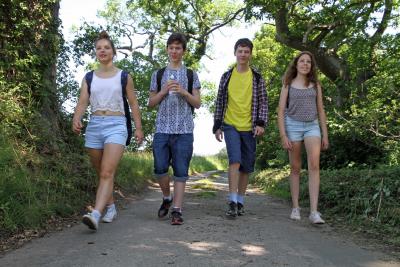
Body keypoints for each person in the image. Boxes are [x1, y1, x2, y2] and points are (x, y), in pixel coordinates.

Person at [72, 31, 144, 231]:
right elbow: (82, 102)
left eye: (106, 47)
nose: (102, 50)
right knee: (101, 172)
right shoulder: (88, 77)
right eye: (99, 48)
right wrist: (76, 118)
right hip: (94, 125)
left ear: (113, 52)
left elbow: (134, 103)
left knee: (106, 171)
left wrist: (138, 128)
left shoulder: (124, 77)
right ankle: (110, 206)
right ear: (96, 53)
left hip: (117, 125)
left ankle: (95, 213)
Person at [148, 32, 201, 225]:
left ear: (184, 51)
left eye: (178, 48)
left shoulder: (190, 74)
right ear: (167, 50)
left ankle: (177, 210)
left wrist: (184, 91)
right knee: (160, 168)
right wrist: (163, 91)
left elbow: (197, 103)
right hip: (162, 128)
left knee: (180, 171)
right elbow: (150, 103)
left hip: (184, 129)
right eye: (171, 47)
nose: (174, 51)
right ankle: (166, 197)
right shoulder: (158, 74)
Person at [213, 38, 268, 218]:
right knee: (234, 160)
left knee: (246, 166)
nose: (243, 54)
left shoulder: (257, 77)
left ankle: (241, 201)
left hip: (250, 127)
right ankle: (232, 200)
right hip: (230, 125)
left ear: (250, 54)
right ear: (235, 53)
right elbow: (220, 101)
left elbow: (263, 103)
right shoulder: (227, 76)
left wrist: (261, 123)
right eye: (240, 51)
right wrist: (217, 125)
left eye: (246, 51)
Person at [277, 51, 329, 224]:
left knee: (314, 165)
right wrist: (283, 134)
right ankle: (296, 207)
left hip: (312, 126)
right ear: (296, 64)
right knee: (295, 167)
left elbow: (321, 110)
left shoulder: (315, 84)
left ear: (311, 66)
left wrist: (325, 134)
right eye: (302, 61)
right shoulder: (288, 84)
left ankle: (314, 212)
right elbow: (281, 110)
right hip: (292, 126)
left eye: (308, 62)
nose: (305, 64)